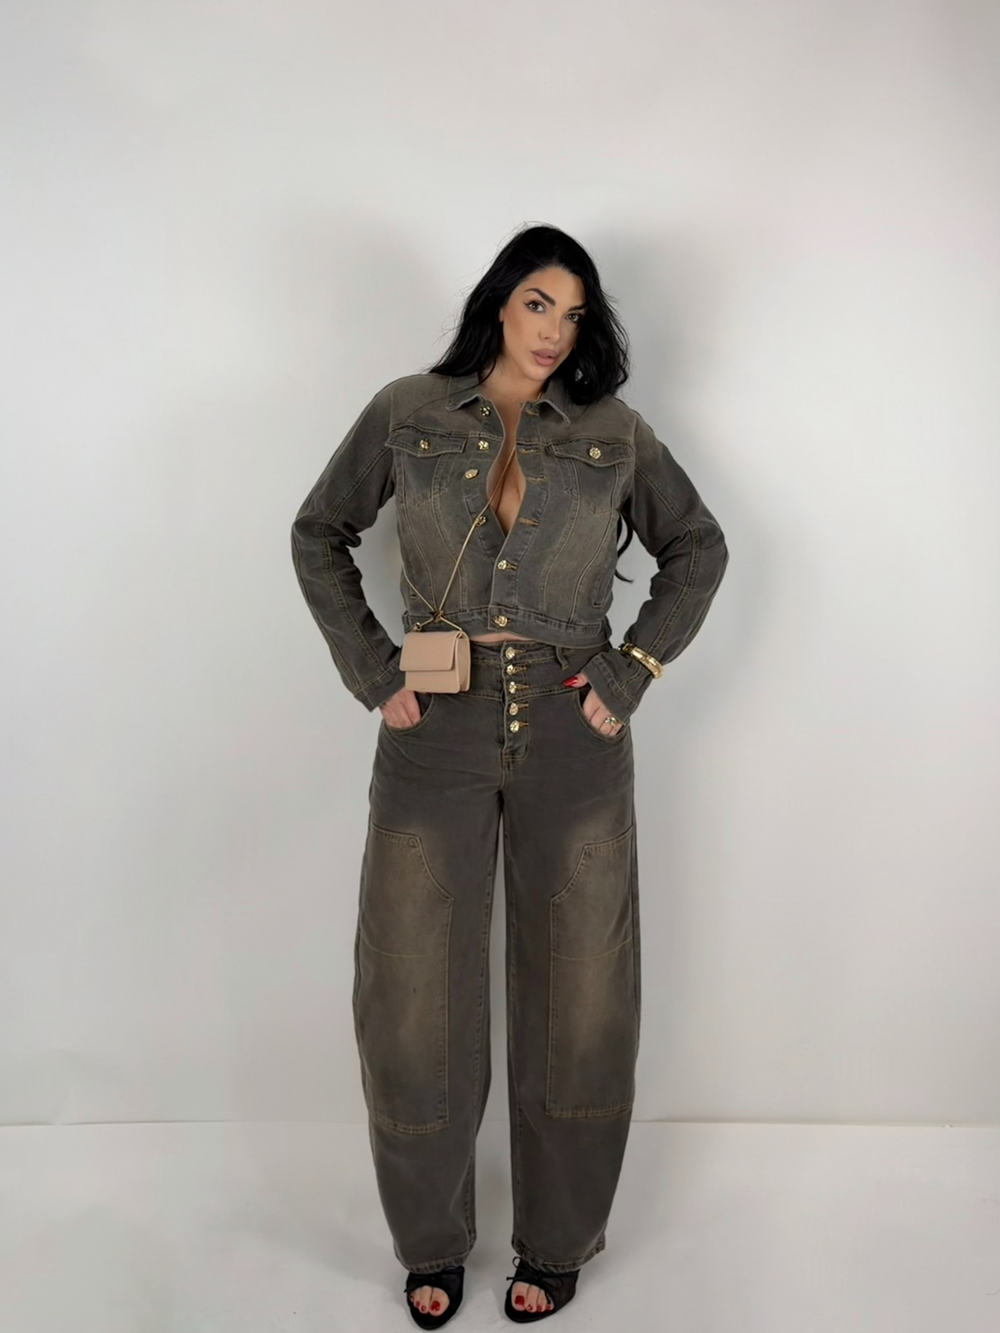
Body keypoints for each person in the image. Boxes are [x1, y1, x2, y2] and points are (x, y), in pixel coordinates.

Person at [290, 224, 728, 1326]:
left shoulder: (612, 430)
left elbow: (697, 547)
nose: (554, 331)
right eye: (539, 303)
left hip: (575, 727)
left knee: (581, 993)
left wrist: (629, 672)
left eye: (574, 314)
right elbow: (319, 531)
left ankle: (558, 1241)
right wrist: (373, 670)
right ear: (498, 300)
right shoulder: (406, 410)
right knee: (410, 996)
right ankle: (431, 1241)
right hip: (432, 724)